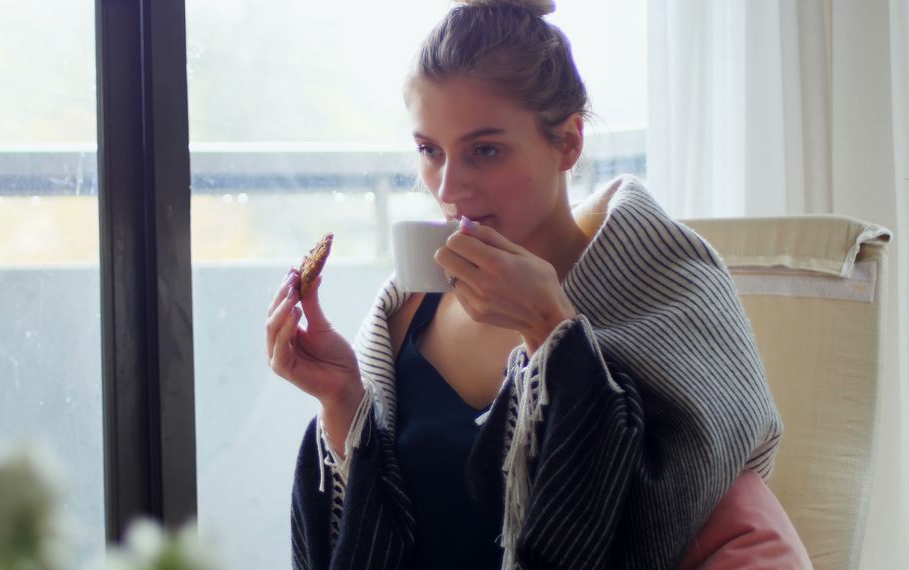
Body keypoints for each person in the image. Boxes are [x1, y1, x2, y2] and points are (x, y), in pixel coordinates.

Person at [265, 0, 807, 567]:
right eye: (430, 151)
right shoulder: (406, 312)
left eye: (486, 150)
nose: (449, 187)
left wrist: (553, 333)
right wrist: (342, 399)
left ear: (569, 142)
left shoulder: (670, 290)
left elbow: (668, 507)